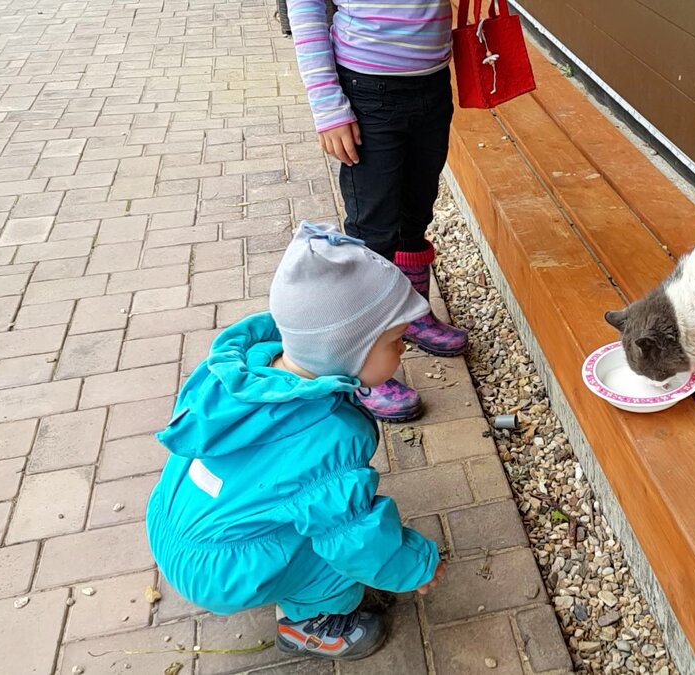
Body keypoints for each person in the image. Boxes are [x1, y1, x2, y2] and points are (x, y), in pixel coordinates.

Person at [147, 223, 446, 661]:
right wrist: (412, 566)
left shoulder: (253, 370)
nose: (403, 351)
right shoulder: (327, 437)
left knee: (312, 507)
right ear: (348, 351)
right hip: (220, 568)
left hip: (173, 523)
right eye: (395, 341)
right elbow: (350, 536)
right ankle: (308, 625)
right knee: (338, 558)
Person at [287, 0, 466, 422]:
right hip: (367, 91)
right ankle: (363, 363)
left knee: (415, 215)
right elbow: (306, 8)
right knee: (373, 235)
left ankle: (412, 314)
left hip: (433, 84)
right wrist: (328, 108)